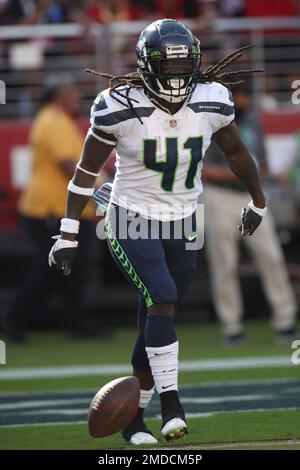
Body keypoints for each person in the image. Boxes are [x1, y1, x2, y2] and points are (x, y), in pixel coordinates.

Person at [49, 19, 266, 445]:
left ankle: (133, 421)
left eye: (182, 68)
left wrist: (259, 201)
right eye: (166, 67)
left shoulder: (211, 100)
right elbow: (85, 172)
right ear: (147, 66)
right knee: (163, 299)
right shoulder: (118, 105)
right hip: (129, 215)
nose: (176, 77)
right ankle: (172, 405)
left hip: (185, 219)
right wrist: (68, 232)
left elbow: (237, 152)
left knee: (156, 314)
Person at [5, 80, 101, 342]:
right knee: (50, 269)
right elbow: (69, 165)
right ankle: (14, 318)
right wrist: (102, 186)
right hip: (51, 209)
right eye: (71, 91)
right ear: (58, 94)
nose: (76, 96)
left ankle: (78, 323)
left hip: (65, 209)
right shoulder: (52, 121)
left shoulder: (59, 119)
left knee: (72, 269)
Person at [202, 85, 298, 345]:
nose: (245, 101)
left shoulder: (253, 120)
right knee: (225, 264)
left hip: (251, 195)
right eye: (241, 96)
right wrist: (243, 172)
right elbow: (202, 169)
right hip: (220, 196)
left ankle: (285, 320)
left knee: (272, 257)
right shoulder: (210, 122)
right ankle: (231, 326)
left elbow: (263, 163)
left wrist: (253, 175)